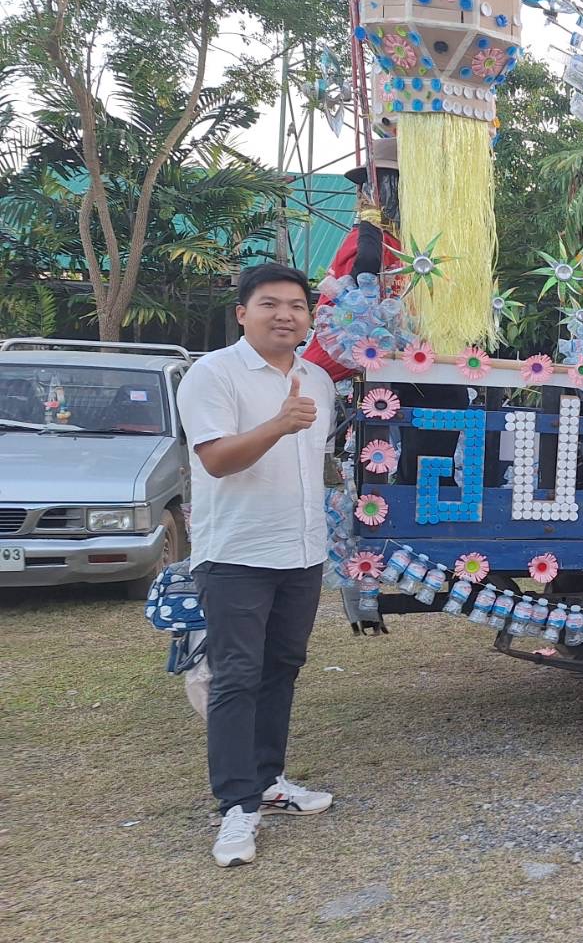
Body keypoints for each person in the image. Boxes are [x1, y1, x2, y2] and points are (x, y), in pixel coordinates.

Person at [178, 262, 337, 867]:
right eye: (269, 304)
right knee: (237, 676)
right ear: (243, 313)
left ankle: (268, 781)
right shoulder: (212, 374)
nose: (284, 315)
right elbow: (217, 460)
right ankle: (235, 806)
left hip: (301, 551)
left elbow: (313, 463)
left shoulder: (317, 380)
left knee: (282, 668)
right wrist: (278, 424)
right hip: (236, 553)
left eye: (296, 306)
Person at [301, 136, 402, 382]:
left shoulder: (395, 242)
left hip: (379, 360)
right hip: (341, 359)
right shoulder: (367, 241)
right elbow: (352, 306)